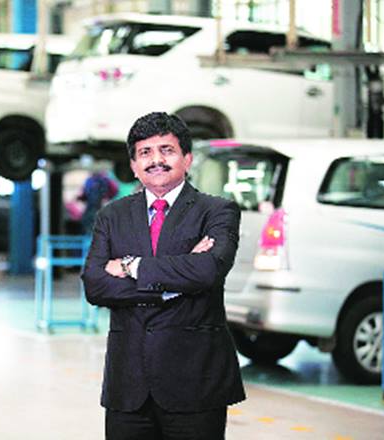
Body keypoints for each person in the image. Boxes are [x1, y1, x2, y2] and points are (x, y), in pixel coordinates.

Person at [81, 112, 245, 440]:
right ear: (133, 165)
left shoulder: (217, 211)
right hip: (128, 387)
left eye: (166, 150)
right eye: (145, 152)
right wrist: (173, 285)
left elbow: (208, 271)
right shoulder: (112, 216)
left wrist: (131, 267)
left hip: (195, 383)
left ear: (187, 158)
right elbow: (95, 285)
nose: (156, 160)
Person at [79, 170, 119, 235]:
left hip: (92, 207)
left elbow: (84, 193)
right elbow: (115, 190)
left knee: (89, 223)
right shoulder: (106, 179)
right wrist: (108, 198)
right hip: (100, 206)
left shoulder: (90, 180)